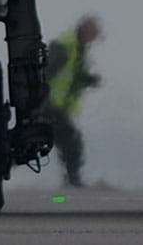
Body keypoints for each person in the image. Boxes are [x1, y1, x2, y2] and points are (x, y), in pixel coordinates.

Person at [44, 15, 103, 187]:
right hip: (50, 105)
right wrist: (44, 98)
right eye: (94, 32)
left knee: (55, 141)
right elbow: (46, 72)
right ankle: (73, 179)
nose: (95, 38)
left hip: (57, 107)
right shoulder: (66, 45)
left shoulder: (78, 48)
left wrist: (89, 80)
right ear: (85, 29)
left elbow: (73, 75)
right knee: (71, 141)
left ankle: (72, 178)